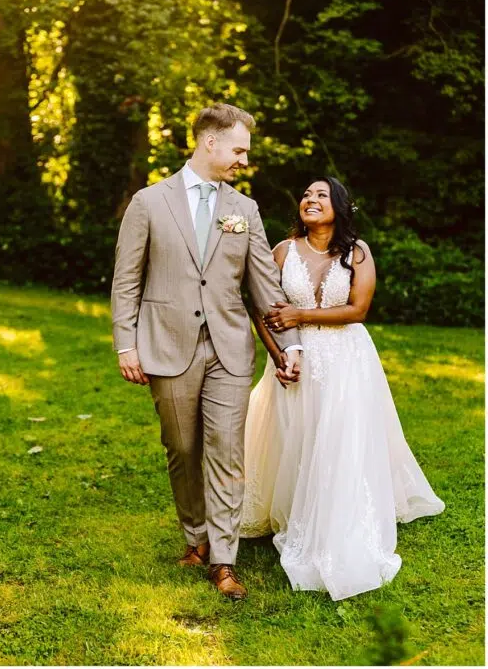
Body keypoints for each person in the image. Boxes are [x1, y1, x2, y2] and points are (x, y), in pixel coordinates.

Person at [111, 103, 301, 600]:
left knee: (226, 451)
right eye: (239, 149)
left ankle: (223, 558)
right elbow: (126, 280)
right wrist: (126, 344)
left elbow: (264, 284)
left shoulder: (245, 210)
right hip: (166, 345)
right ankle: (195, 536)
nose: (243, 159)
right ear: (210, 142)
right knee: (183, 447)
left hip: (230, 349)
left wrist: (290, 344)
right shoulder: (149, 203)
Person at [240, 176, 444, 600]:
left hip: (346, 359)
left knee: (338, 438)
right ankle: (297, 507)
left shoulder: (358, 252)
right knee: (293, 435)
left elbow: (358, 309)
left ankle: (336, 517)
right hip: (294, 357)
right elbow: (262, 307)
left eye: (321, 195)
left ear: (339, 206)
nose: (310, 200)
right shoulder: (282, 251)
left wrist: (301, 315)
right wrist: (279, 354)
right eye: (306, 195)